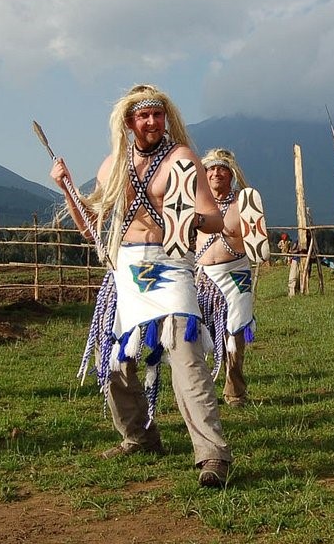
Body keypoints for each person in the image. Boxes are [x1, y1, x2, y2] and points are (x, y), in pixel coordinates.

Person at [51, 84, 233, 488]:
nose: (151, 123)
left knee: (185, 356)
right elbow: (91, 226)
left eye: (157, 115)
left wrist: (191, 221)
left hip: (168, 265)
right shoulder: (112, 165)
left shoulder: (182, 159)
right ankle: (139, 436)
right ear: (129, 121)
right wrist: (66, 187)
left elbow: (214, 219)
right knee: (115, 360)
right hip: (126, 267)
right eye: (143, 116)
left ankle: (212, 455)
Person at [194, 148, 256, 407]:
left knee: (236, 333)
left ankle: (235, 392)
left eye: (222, 169)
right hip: (204, 276)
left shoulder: (244, 203)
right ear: (204, 174)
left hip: (236, 273)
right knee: (198, 334)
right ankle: (201, 391)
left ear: (231, 174)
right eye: (211, 169)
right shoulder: (195, 202)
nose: (216, 173)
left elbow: (257, 239)